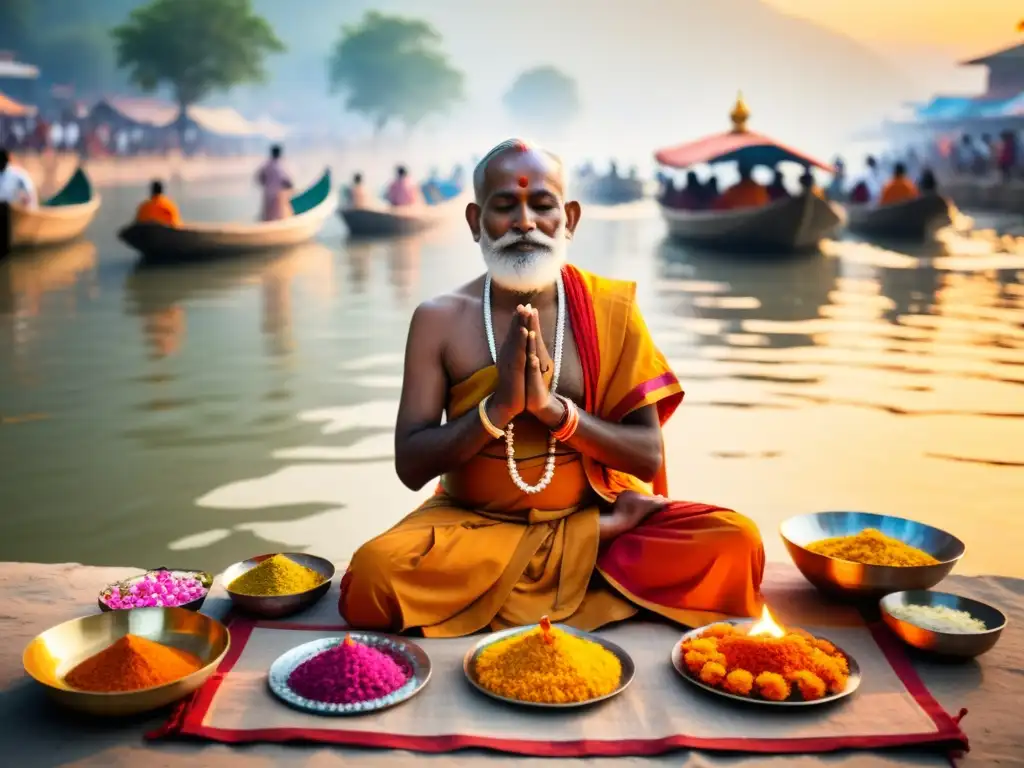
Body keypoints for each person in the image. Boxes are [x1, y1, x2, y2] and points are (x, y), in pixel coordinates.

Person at [338, 138, 765, 637]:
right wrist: (497, 410)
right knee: (372, 579)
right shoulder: (439, 319)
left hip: (588, 505)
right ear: (476, 221)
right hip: (475, 524)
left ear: (571, 219)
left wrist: (553, 411)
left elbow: (646, 456)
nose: (525, 222)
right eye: (505, 207)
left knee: (736, 540)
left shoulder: (613, 309)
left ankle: (568, 551)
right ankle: (592, 545)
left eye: (542, 206)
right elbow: (411, 466)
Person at [256, 145, 294, 221]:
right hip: (278, 194)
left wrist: (266, 184)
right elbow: (287, 181)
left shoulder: (266, 165)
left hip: (267, 193)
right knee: (278, 215)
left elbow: (260, 177)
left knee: (268, 214)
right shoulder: (280, 166)